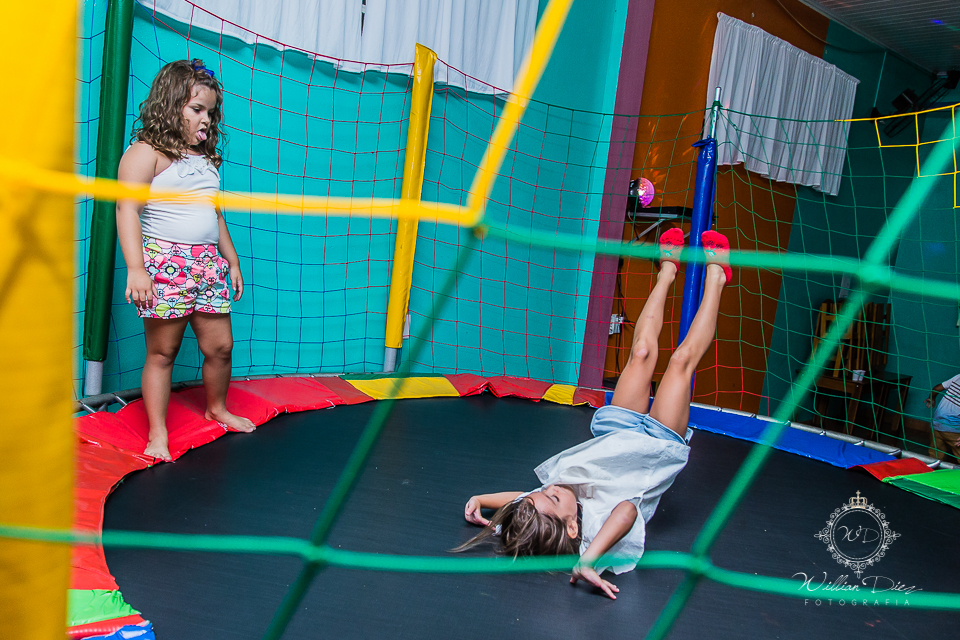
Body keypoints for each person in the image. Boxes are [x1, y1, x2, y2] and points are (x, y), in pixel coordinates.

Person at [455, 228, 733, 600]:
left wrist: (482, 498)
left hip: (616, 432)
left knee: (641, 353)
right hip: (656, 447)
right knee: (680, 362)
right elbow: (627, 511)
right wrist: (589, 560)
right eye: (554, 498)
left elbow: (524, 497)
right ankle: (717, 278)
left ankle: (667, 269)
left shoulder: (538, 515)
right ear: (572, 528)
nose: (551, 489)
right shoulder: (595, 533)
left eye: (544, 493)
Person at [116, 59, 255, 462]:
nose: (206, 119)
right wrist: (137, 269)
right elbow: (127, 210)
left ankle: (217, 408)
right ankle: (158, 434)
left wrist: (231, 261)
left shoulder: (205, 160)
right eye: (197, 109)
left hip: (207, 264)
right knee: (163, 353)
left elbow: (214, 214)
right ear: (170, 103)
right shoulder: (146, 153)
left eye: (211, 112)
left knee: (221, 347)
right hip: (165, 263)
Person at [925, 372, 960, 461]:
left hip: (936, 424)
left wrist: (932, 398)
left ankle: (930, 467)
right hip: (954, 428)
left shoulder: (958, 377)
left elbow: (936, 388)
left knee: (934, 455)